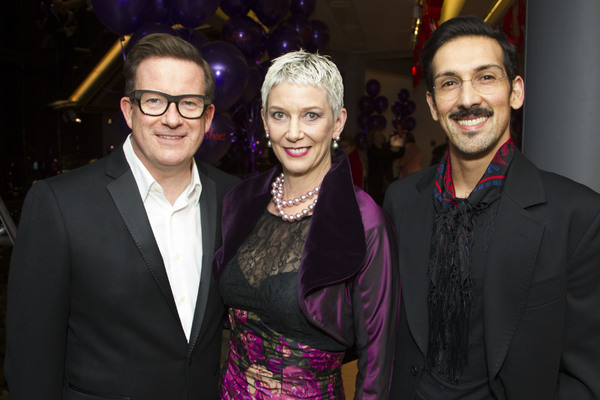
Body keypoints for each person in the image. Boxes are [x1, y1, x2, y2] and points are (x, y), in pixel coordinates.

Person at [5, 33, 239, 399]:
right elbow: (30, 360)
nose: (172, 119)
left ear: (208, 116)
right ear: (129, 111)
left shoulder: (232, 198)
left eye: (189, 103)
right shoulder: (59, 204)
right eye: (155, 102)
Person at [384, 16, 600, 399]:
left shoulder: (578, 215)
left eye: (486, 77)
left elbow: (586, 374)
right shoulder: (401, 202)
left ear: (515, 91)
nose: (468, 99)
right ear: (433, 105)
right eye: (450, 83)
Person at [212, 50, 399, 399]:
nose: (293, 133)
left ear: (338, 122)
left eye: (311, 115)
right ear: (265, 122)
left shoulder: (365, 221)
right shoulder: (240, 201)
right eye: (280, 115)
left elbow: (378, 361)